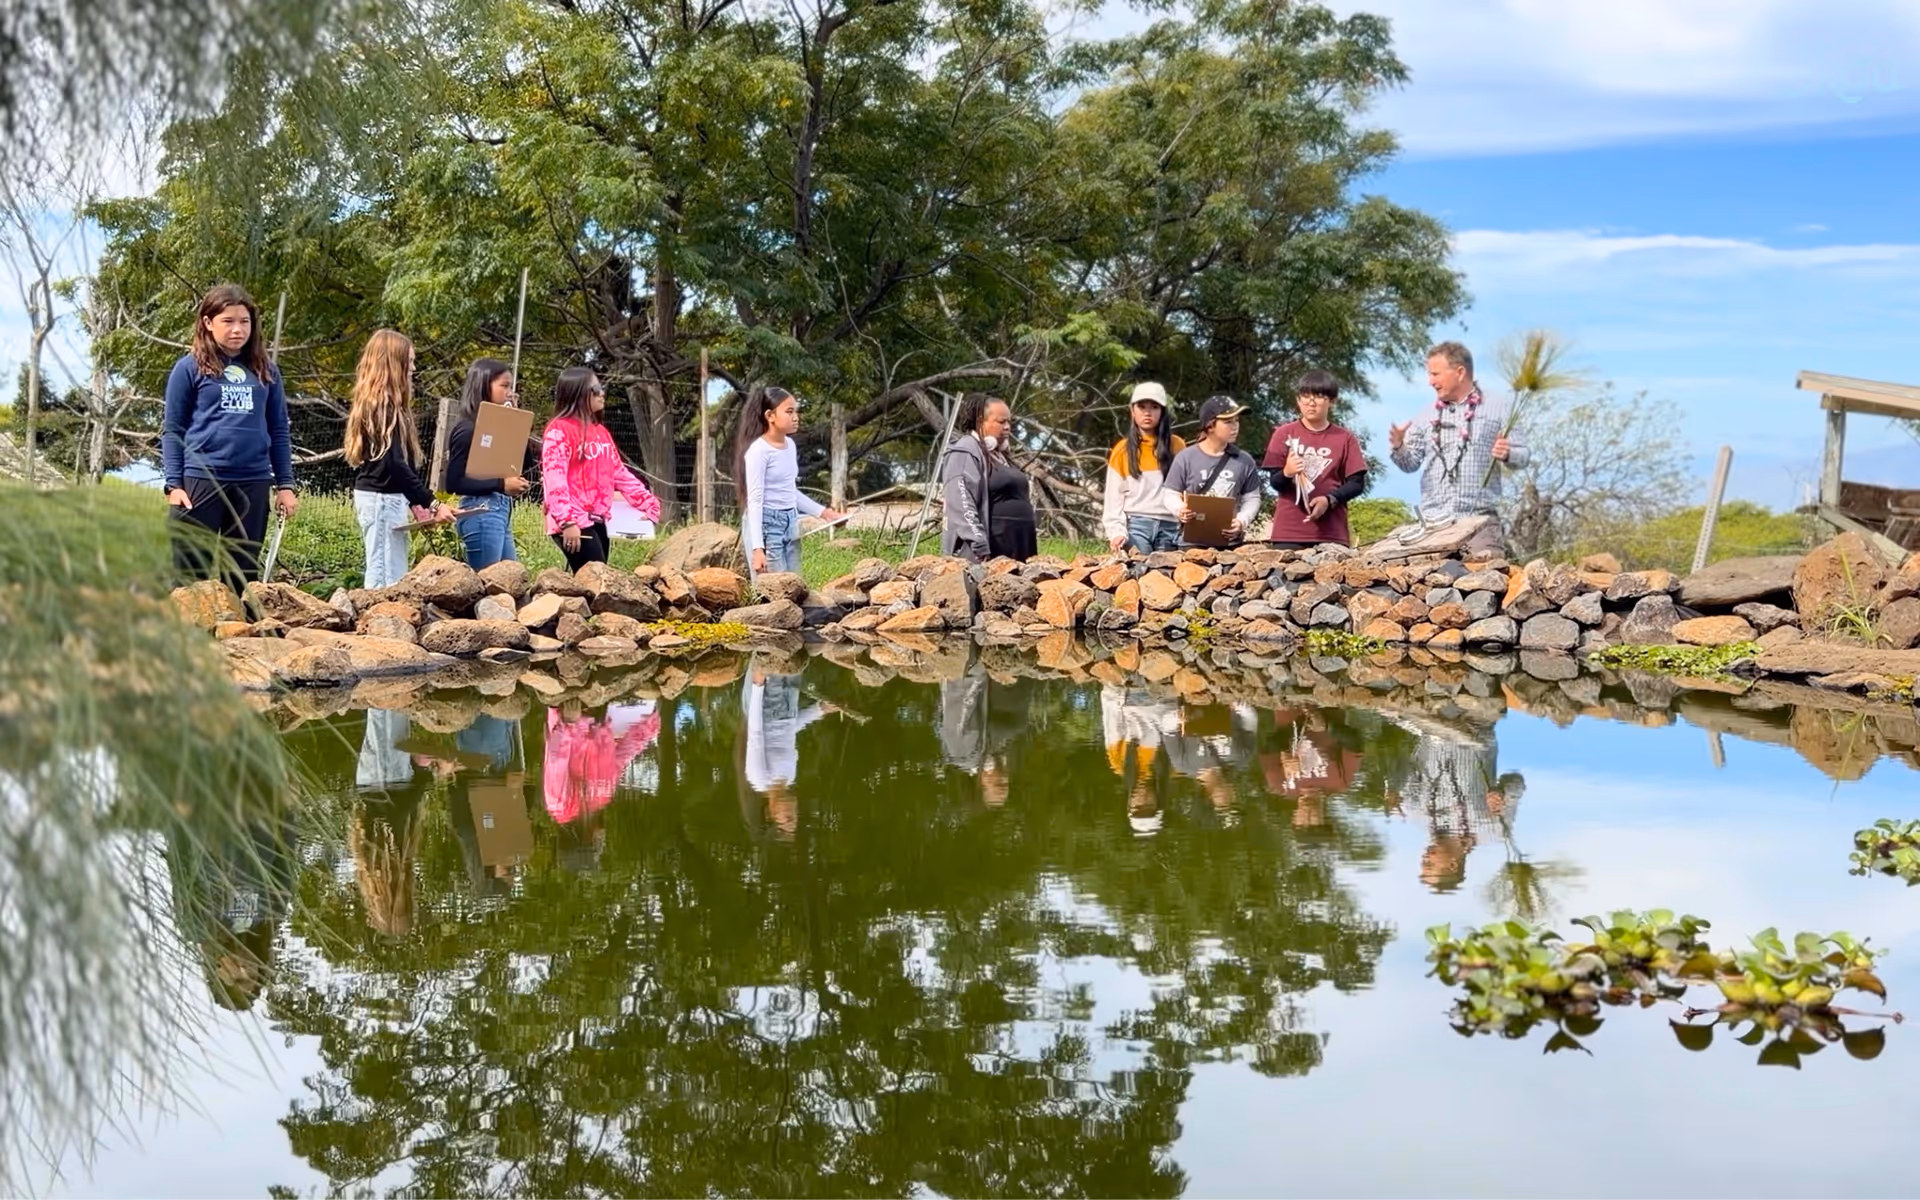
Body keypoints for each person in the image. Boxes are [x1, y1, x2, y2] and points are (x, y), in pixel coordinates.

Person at [162, 283, 298, 589]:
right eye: (228, 321)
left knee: (240, 576)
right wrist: (174, 485)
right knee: (189, 575)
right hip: (200, 481)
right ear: (208, 324)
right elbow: (173, 430)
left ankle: (238, 635)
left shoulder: (267, 371)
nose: (237, 329)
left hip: (252, 482)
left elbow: (278, 430)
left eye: (244, 321)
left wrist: (285, 485)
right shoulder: (188, 368)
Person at [1388, 341, 1531, 558]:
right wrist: (1399, 446)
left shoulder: (1499, 407)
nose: (1430, 381)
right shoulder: (1425, 415)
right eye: (1429, 374)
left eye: (1435, 374)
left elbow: (1524, 456)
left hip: (1480, 523)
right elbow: (1410, 464)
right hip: (1434, 525)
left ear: (1460, 372)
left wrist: (1508, 453)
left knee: (1485, 586)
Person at [343, 329, 455, 588]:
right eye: (410, 361)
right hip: (381, 500)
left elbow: (395, 466)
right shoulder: (383, 406)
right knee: (385, 578)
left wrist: (419, 506)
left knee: (390, 569)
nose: (414, 368)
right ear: (394, 364)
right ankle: (378, 625)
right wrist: (432, 503)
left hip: (386, 498)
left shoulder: (385, 405)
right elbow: (393, 465)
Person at [541, 366, 662, 570]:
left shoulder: (601, 432)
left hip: (598, 519)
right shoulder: (558, 430)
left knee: (595, 581)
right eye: (596, 388)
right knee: (596, 579)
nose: (602, 393)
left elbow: (619, 473)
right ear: (578, 393)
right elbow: (555, 480)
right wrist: (568, 522)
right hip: (572, 521)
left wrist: (649, 502)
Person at [735, 385, 844, 577]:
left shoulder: (790, 446)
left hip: (790, 522)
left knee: (794, 585)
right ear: (770, 416)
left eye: (796, 411)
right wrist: (758, 549)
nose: (796, 417)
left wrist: (826, 514)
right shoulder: (758, 451)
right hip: (766, 525)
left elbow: (789, 491)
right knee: (774, 592)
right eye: (789, 411)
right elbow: (755, 501)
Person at [444, 357, 534, 571]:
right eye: (504, 386)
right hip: (481, 510)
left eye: (510, 387)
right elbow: (454, 482)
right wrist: (501, 484)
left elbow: (525, 463)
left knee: (511, 580)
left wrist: (516, 423)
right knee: (489, 580)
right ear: (483, 385)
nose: (509, 392)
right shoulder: (467, 429)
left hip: (500, 510)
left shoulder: (498, 428)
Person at [1262, 370, 1368, 549]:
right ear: (1298, 400)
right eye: (1305, 396)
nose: (1311, 402)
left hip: (1332, 534)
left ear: (1332, 401)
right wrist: (1287, 472)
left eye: (1319, 396)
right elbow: (1275, 482)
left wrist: (1330, 500)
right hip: (1289, 533)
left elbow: (1357, 483)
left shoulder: (1345, 438)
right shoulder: (1283, 434)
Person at [940, 391, 1037, 563]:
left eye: (1009, 421)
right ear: (980, 422)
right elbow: (960, 500)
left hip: (1020, 545)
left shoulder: (1000, 456)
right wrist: (978, 542)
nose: (1007, 427)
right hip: (991, 551)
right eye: (1001, 422)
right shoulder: (964, 451)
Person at [742, 667, 833, 838]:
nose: (794, 811)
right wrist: (820, 709)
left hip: (766, 707)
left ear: (771, 812)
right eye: (795, 816)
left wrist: (758, 686)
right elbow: (789, 732)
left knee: (773, 652)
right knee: (795, 660)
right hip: (789, 710)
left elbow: (755, 734)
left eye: (788, 817)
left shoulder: (758, 778)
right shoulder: (790, 777)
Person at [1164, 396, 1263, 547]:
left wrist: (1242, 521)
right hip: (1191, 543)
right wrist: (1180, 510)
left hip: (1230, 544)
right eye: (1228, 422)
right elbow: (1170, 493)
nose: (1235, 426)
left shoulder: (1244, 460)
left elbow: (1252, 498)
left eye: (1237, 421)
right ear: (1210, 425)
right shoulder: (1186, 457)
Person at [1101, 381, 1187, 554]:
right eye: (1142, 406)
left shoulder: (1178, 446)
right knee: (1137, 575)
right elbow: (1113, 500)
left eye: (1154, 407)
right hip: (1136, 527)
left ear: (1162, 412)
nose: (1147, 412)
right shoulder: (1122, 450)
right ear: (1132, 411)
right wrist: (1116, 532)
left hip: (1171, 527)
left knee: (1166, 578)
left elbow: (1187, 490)